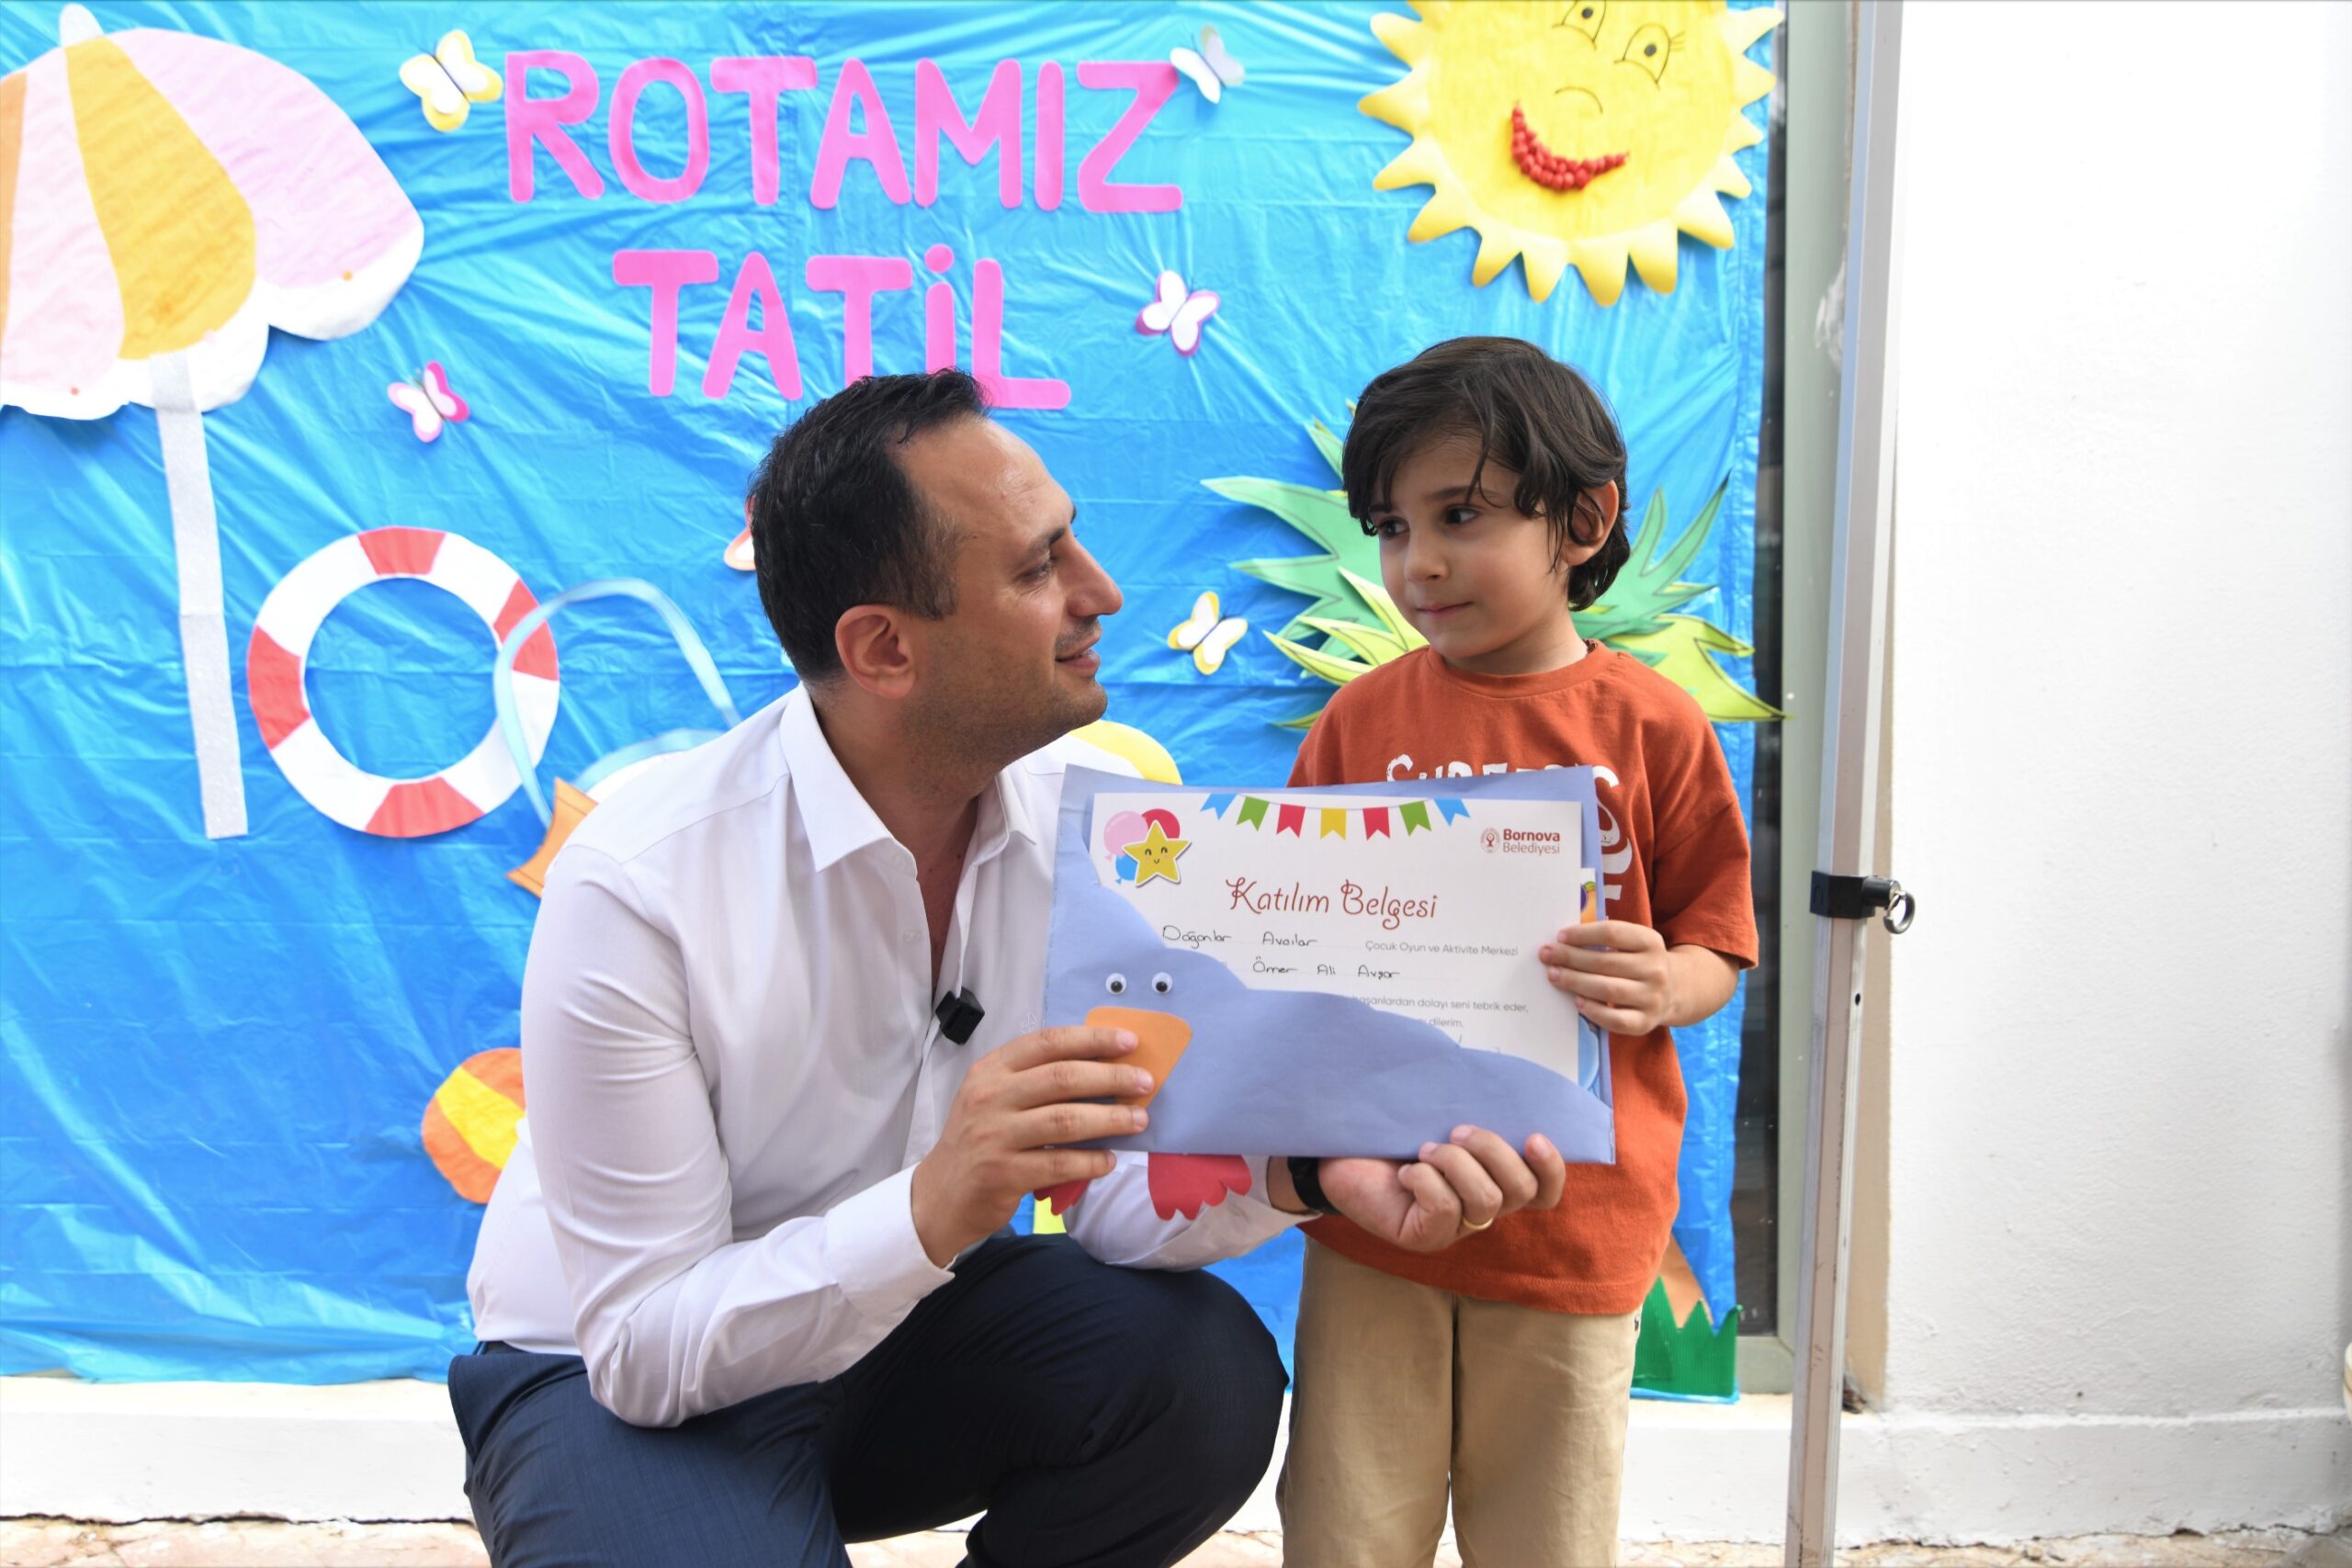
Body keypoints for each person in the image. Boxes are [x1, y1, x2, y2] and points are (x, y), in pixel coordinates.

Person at [453, 367, 1564, 1568]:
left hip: (898, 1334)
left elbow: (1120, 1204)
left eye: (1071, 541)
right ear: (884, 648)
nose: (1103, 592)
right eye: (1039, 570)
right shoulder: (640, 881)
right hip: (613, 1377)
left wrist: (1304, 1169)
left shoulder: (1105, 831)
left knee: (1200, 1375)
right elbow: (642, 1349)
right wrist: (936, 1203)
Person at [1276, 337, 1760, 1567]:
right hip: (1379, 1216)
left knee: (1548, 1536)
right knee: (1344, 1527)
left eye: (1462, 515)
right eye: (1392, 527)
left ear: (1584, 521)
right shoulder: (1359, 720)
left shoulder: (1654, 727)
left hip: (1574, 1224)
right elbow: (1292, 932)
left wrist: (1662, 983)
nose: (1419, 564)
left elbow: (1717, 942)